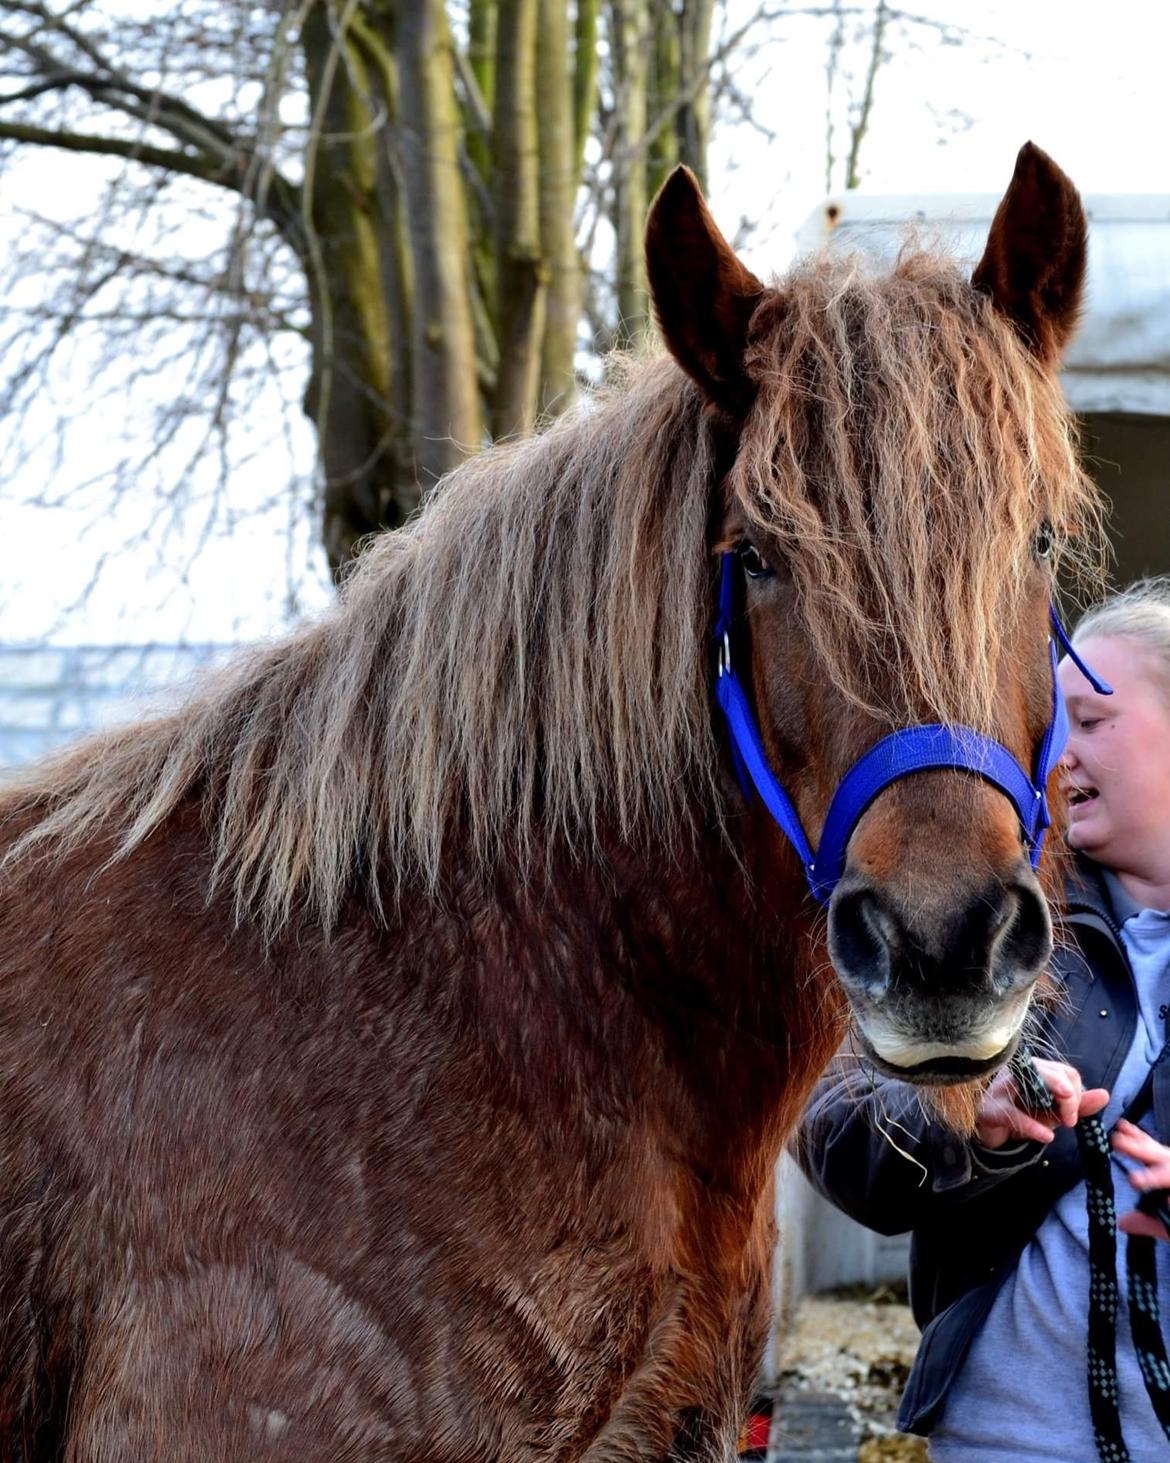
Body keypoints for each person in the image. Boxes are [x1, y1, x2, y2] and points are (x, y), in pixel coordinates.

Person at [795, 579, 1170, 1460]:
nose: (1055, 756)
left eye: (1090, 718)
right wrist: (975, 1124)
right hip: (1011, 1439)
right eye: (1050, 725)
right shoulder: (991, 926)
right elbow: (833, 1132)